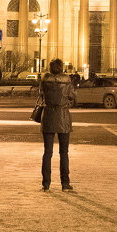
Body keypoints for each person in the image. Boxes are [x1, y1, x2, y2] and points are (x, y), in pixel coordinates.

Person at [39, 58, 74, 192]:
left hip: (48, 116)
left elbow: (41, 95)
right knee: (63, 152)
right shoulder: (67, 81)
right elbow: (73, 97)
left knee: (47, 152)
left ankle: (46, 184)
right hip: (63, 117)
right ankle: (65, 183)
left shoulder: (45, 81)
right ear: (61, 68)